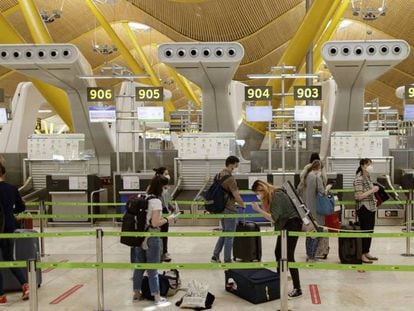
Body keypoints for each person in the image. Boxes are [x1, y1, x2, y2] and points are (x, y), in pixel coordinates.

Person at [251, 180, 302, 299]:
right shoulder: (273, 195)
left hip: (292, 225)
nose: (258, 196)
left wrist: (258, 210)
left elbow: (273, 218)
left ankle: (297, 288)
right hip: (286, 225)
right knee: (278, 252)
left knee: (289, 256)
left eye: (257, 193)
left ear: (262, 189)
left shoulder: (276, 195)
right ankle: (280, 281)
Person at [131, 175, 176, 305]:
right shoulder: (156, 202)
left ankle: (136, 294)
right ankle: (157, 296)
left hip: (139, 236)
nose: (166, 190)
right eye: (165, 187)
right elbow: (155, 223)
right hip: (152, 237)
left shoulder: (142, 197)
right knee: (153, 268)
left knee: (139, 266)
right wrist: (169, 219)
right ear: (161, 187)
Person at [0, 162, 29, 303]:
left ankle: (1, 295)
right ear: (3, 173)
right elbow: (21, 206)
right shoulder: (12, 188)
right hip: (9, 227)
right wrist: (11, 213)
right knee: (9, 258)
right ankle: (24, 284)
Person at [211, 156, 245, 263]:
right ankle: (227, 259)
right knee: (230, 235)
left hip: (220, 208)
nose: (236, 167)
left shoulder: (218, 175)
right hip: (229, 208)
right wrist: (243, 204)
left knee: (225, 232)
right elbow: (236, 195)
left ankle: (215, 256)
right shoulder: (230, 179)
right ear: (231, 164)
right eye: (236, 165)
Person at [299, 160, 331, 262]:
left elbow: (299, 190)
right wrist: (328, 188)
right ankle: (312, 256)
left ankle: (309, 254)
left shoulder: (305, 177)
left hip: (306, 210)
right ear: (319, 168)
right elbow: (322, 192)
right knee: (317, 232)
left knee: (310, 233)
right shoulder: (317, 178)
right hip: (316, 211)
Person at [354, 158, 379, 264]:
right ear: (363, 165)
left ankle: (366, 251)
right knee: (364, 231)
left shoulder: (367, 177)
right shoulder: (359, 178)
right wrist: (372, 190)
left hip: (371, 207)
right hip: (364, 208)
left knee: (369, 231)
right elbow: (359, 196)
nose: (370, 166)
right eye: (369, 164)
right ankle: (362, 254)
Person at [153, 167, 173, 262]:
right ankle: (160, 253)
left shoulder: (165, 187)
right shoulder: (155, 186)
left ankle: (164, 252)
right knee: (159, 234)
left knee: (164, 234)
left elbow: (166, 200)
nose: (167, 175)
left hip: (164, 211)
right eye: (165, 173)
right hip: (158, 212)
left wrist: (171, 206)